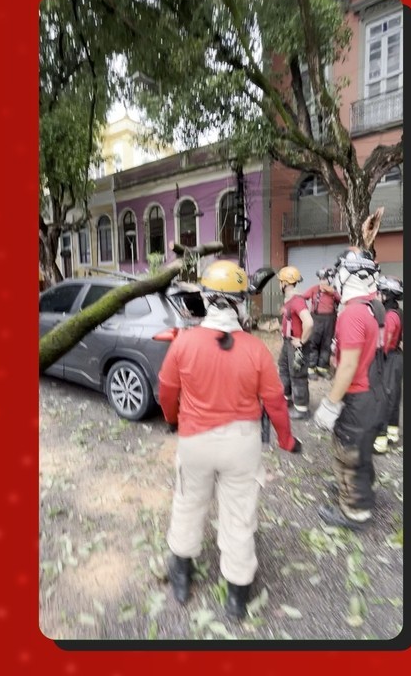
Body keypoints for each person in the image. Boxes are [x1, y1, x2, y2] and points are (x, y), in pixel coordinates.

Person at [159, 260, 302, 622]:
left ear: (204, 298)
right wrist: (287, 440)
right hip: (241, 444)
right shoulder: (255, 350)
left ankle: (182, 577)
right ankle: (237, 596)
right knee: (238, 517)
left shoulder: (184, 344)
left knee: (188, 504)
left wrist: (172, 420)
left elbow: (167, 391)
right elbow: (275, 402)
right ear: (241, 302)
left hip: (195, 441)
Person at [313, 248, 387, 529]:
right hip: (375, 390)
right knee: (363, 447)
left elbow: (348, 366)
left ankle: (354, 510)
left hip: (359, 392)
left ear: (347, 275)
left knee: (348, 450)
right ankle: (362, 490)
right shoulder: (374, 305)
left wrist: (330, 404)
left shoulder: (353, 314)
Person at [372, 276, 404, 454]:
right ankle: (392, 433)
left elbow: (385, 341)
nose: (377, 295)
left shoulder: (390, 317)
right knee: (393, 396)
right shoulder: (399, 312)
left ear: (387, 295)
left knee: (382, 398)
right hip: (397, 358)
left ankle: (379, 442)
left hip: (388, 359)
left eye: (380, 292)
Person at [276, 266, 313, 420]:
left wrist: (302, 341)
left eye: (280, 281)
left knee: (297, 375)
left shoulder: (297, 301)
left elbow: (309, 322)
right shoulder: (290, 300)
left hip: (296, 345)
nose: (279, 284)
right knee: (284, 368)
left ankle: (301, 409)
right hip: (288, 342)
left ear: (285, 283)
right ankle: (286, 399)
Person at [301, 268, 340, 379]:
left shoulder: (334, 292)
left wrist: (333, 292)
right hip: (316, 319)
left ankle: (322, 368)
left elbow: (342, 300)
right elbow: (302, 298)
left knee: (326, 344)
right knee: (313, 343)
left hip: (329, 320)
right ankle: (311, 368)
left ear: (330, 279)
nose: (321, 282)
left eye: (324, 279)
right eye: (320, 279)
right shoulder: (314, 289)